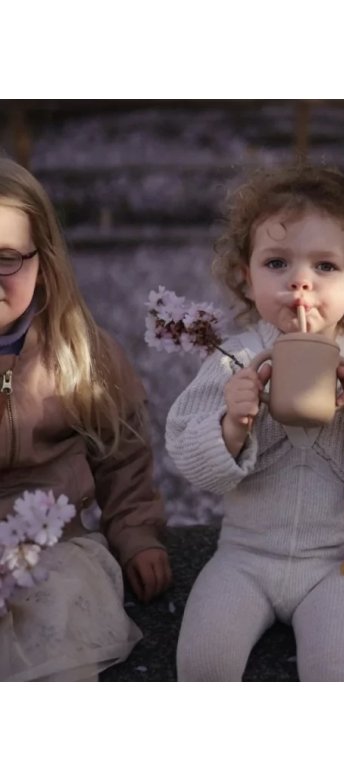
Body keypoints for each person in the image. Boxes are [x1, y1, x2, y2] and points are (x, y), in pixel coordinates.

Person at [165, 164, 344, 681]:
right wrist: (231, 424)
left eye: (326, 267)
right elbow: (185, 448)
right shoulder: (234, 359)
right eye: (276, 262)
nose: (301, 281)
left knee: (341, 675)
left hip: (335, 561)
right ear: (247, 277)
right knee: (202, 666)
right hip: (243, 557)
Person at [0, 157, 172, 681]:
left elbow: (122, 454)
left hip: (59, 543)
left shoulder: (81, 353)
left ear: (43, 263)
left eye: (6, 258)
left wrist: (136, 531)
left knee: (58, 624)